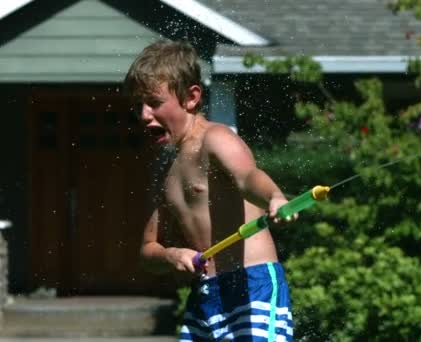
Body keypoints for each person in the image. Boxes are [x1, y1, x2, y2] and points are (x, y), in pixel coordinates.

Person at [124, 40, 294, 341]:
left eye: (154, 102)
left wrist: (274, 196)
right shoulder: (165, 172)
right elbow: (148, 249)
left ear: (191, 97)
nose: (144, 114)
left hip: (252, 286)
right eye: (138, 105)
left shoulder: (215, 139)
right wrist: (171, 254)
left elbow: (248, 177)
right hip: (205, 297)